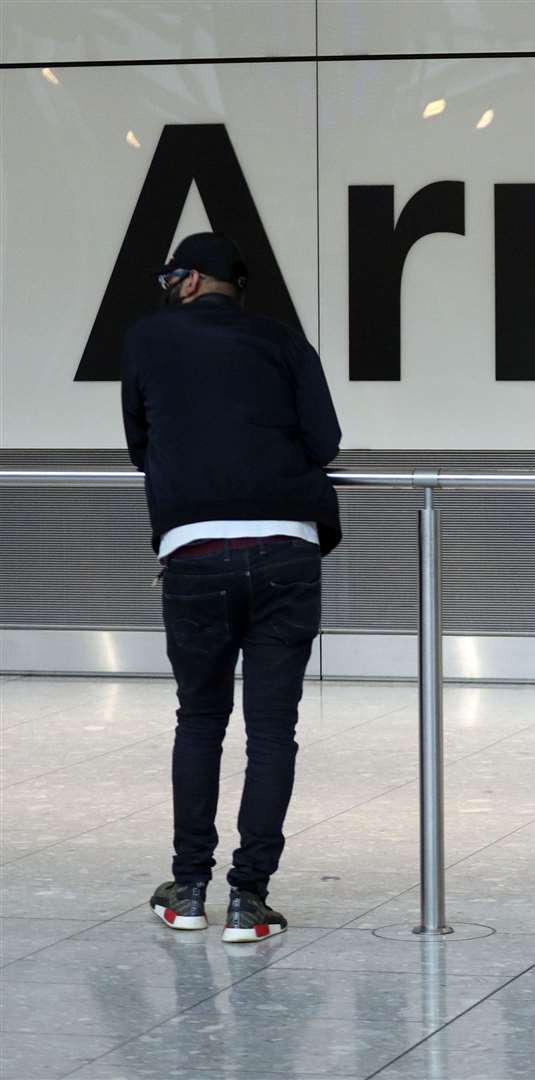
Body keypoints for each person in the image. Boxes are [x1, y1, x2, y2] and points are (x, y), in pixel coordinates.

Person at [121, 232, 342, 941]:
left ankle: (188, 890)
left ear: (192, 281)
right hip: (285, 548)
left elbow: (138, 443)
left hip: (195, 552)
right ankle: (250, 898)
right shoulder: (282, 341)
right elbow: (326, 441)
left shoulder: (148, 340)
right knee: (272, 729)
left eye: (170, 274)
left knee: (200, 720)